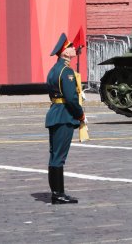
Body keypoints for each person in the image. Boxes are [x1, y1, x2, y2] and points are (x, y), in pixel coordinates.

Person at [46, 33, 86, 204]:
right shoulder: (66, 71)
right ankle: (58, 194)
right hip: (64, 116)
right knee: (59, 157)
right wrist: (80, 113)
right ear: (64, 52)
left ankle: (57, 192)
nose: (73, 49)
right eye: (70, 47)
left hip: (55, 113)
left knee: (54, 155)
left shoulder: (54, 70)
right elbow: (71, 98)